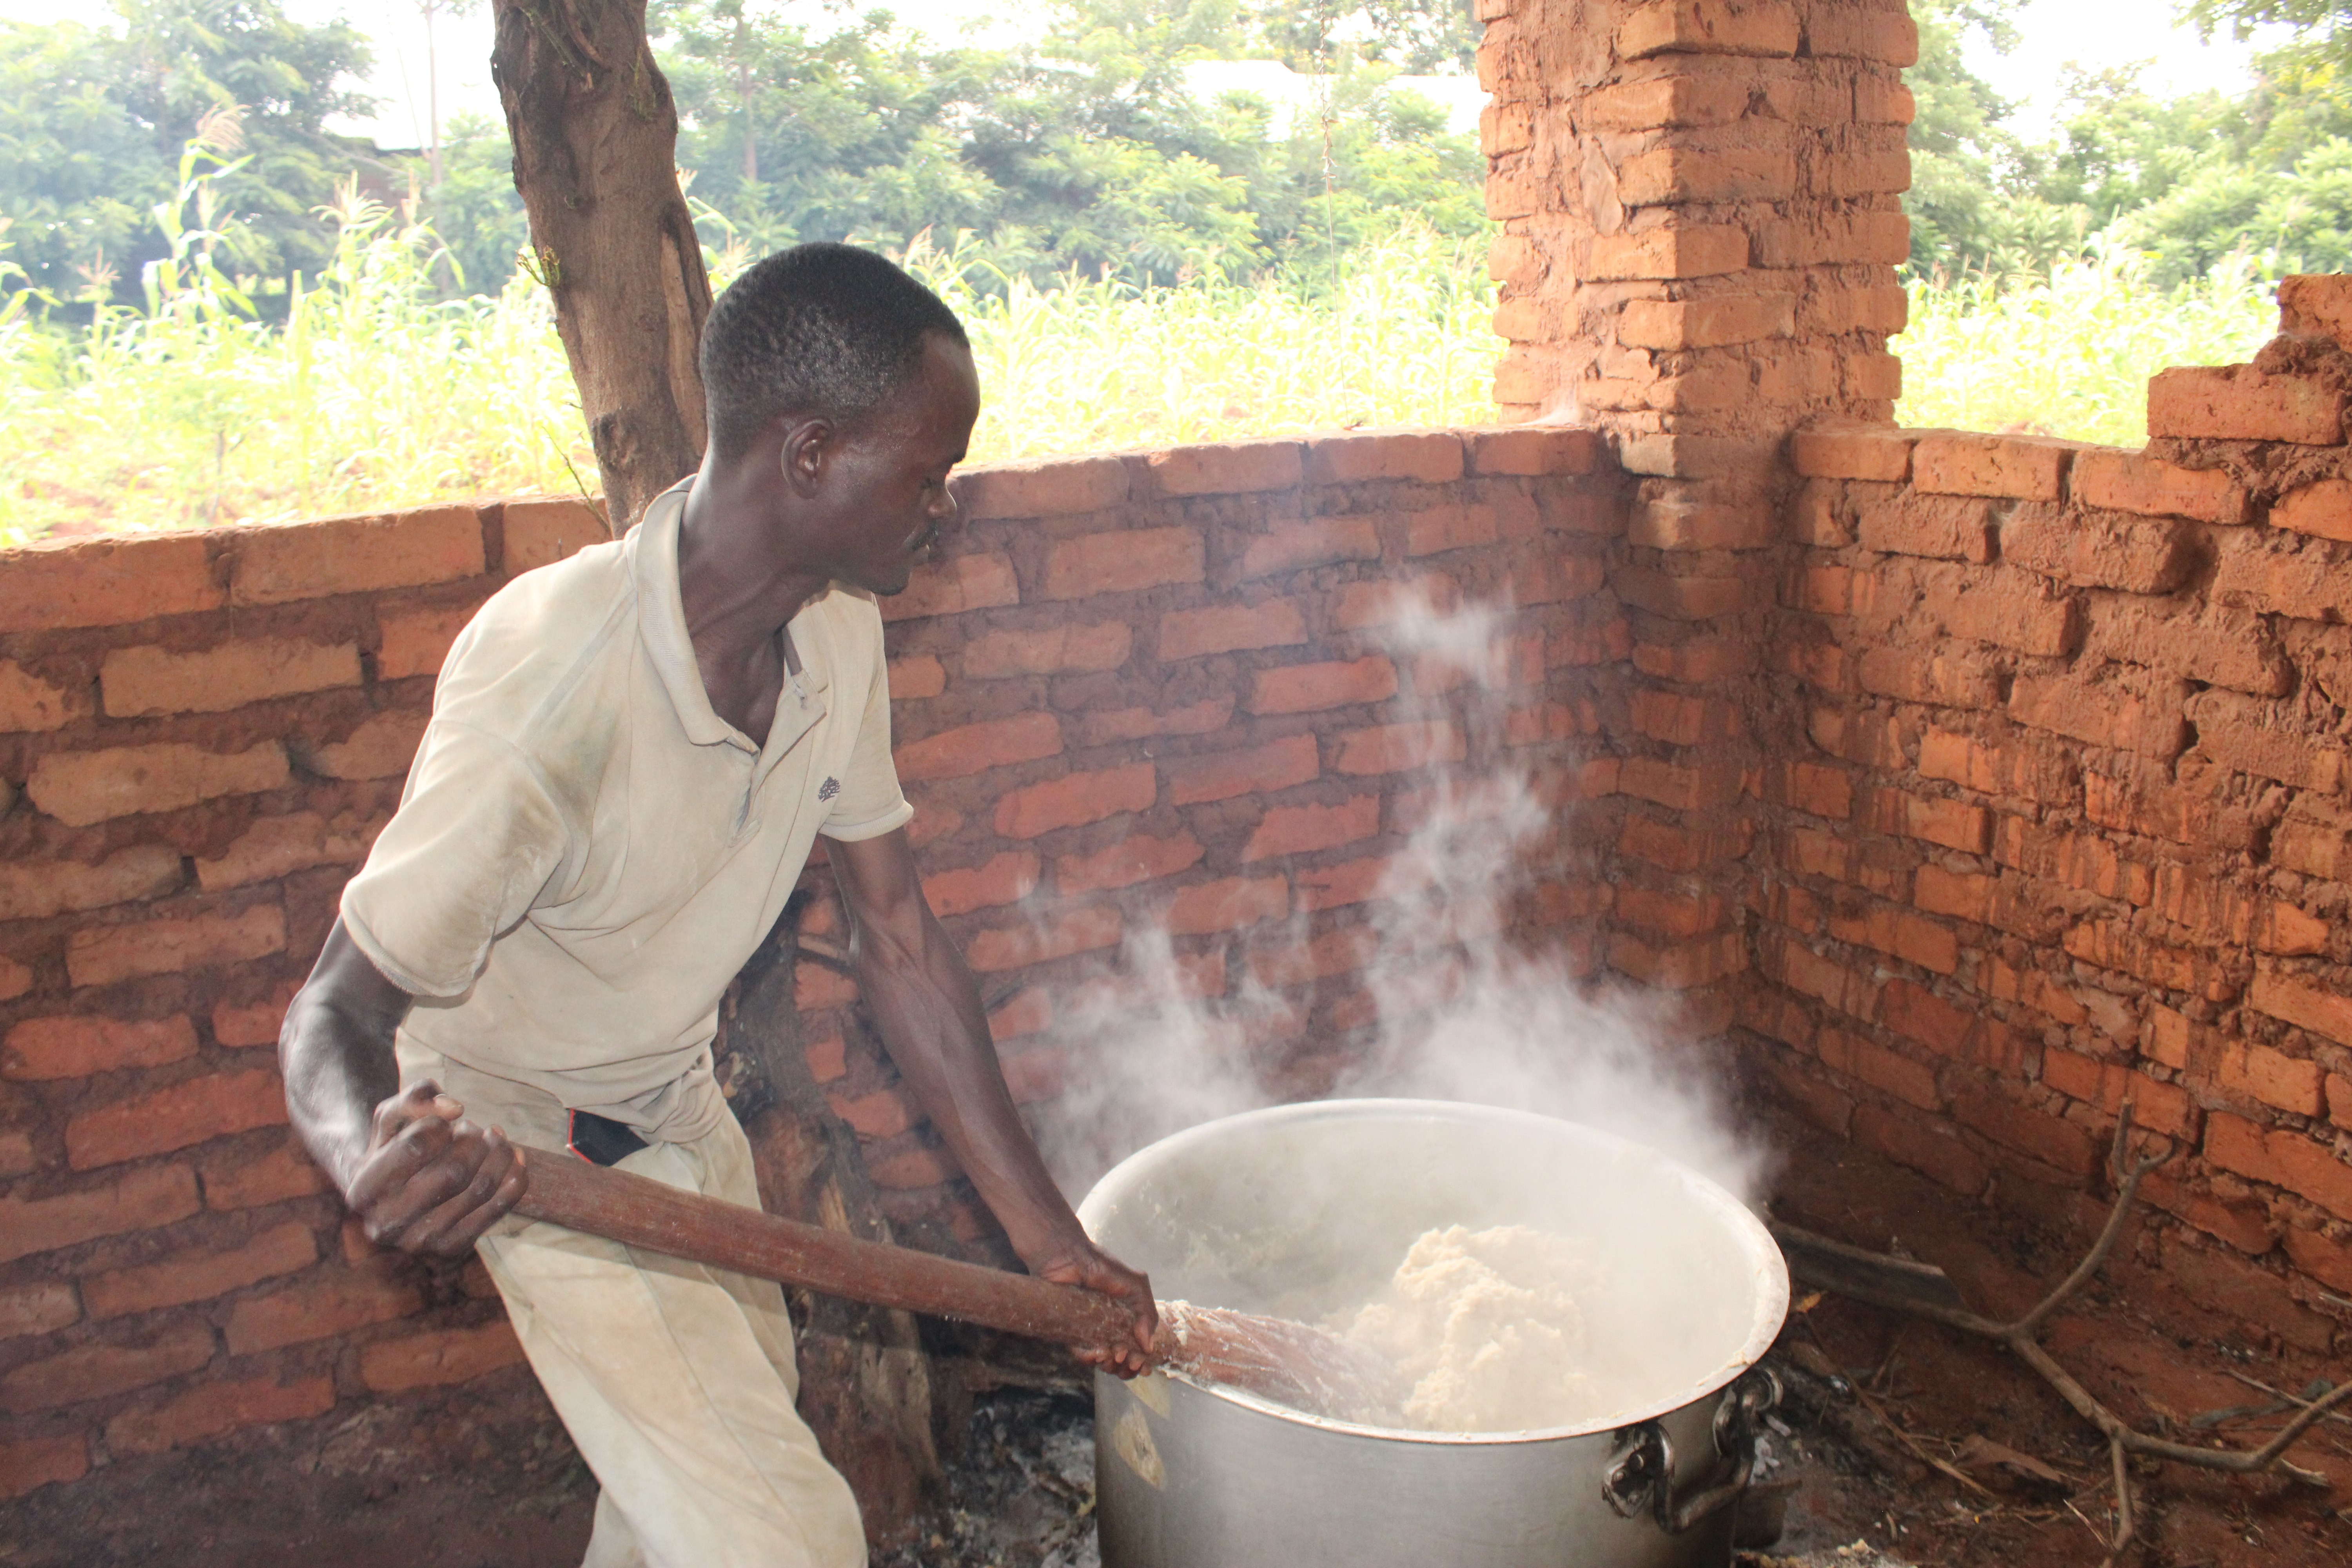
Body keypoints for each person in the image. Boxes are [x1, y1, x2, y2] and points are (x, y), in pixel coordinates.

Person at [278, 243, 1156, 1568]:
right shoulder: (554, 693)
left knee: (670, 1510)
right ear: (808, 457)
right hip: (533, 1149)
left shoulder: (836, 629)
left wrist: (1051, 1245)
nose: (948, 505)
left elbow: (899, 941)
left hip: (678, 1112)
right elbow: (333, 1011)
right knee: (781, 1537)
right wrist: (371, 1159)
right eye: (930, 471)